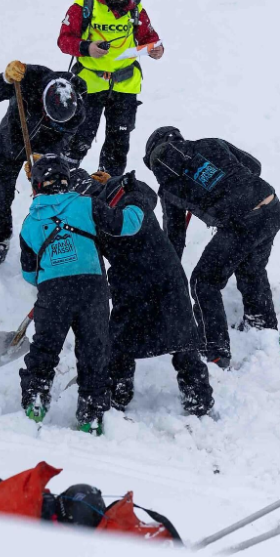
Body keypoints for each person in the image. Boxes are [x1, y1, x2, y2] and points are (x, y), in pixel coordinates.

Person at [70, 170, 214, 417]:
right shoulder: (89, 218)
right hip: (133, 281)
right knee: (120, 342)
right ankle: (119, 392)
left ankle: (196, 397)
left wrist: (122, 185)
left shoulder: (124, 195)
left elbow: (144, 196)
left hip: (161, 273)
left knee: (181, 339)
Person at [18, 154, 143, 434]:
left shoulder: (29, 223)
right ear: (66, 181)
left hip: (53, 293)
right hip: (91, 289)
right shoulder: (86, 205)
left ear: (36, 186)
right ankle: (92, 415)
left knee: (45, 350)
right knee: (94, 352)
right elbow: (129, 224)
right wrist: (134, 199)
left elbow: (29, 274)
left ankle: (35, 401)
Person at [144, 127, 280, 369]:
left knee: (203, 282)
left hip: (241, 223)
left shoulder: (169, 188)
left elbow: (174, 237)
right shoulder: (211, 144)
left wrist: (168, 274)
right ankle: (262, 326)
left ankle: (215, 350)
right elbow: (254, 166)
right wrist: (228, 184)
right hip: (271, 207)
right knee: (251, 268)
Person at [56, 0, 164, 177]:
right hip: (90, 84)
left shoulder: (136, 10)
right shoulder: (84, 6)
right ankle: (61, 183)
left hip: (125, 85)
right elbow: (64, 41)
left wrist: (156, 50)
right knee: (80, 138)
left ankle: (108, 186)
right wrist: (87, 47)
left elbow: (150, 38)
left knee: (118, 143)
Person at [0, 60, 88, 268]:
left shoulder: (76, 111)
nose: (49, 122)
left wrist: (42, 160)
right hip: (10, 143)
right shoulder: (28, 77)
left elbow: (64, 140)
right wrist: (5, 80)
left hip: (44, 150)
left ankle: (51, 242)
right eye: (47, 117)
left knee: (51, 195)